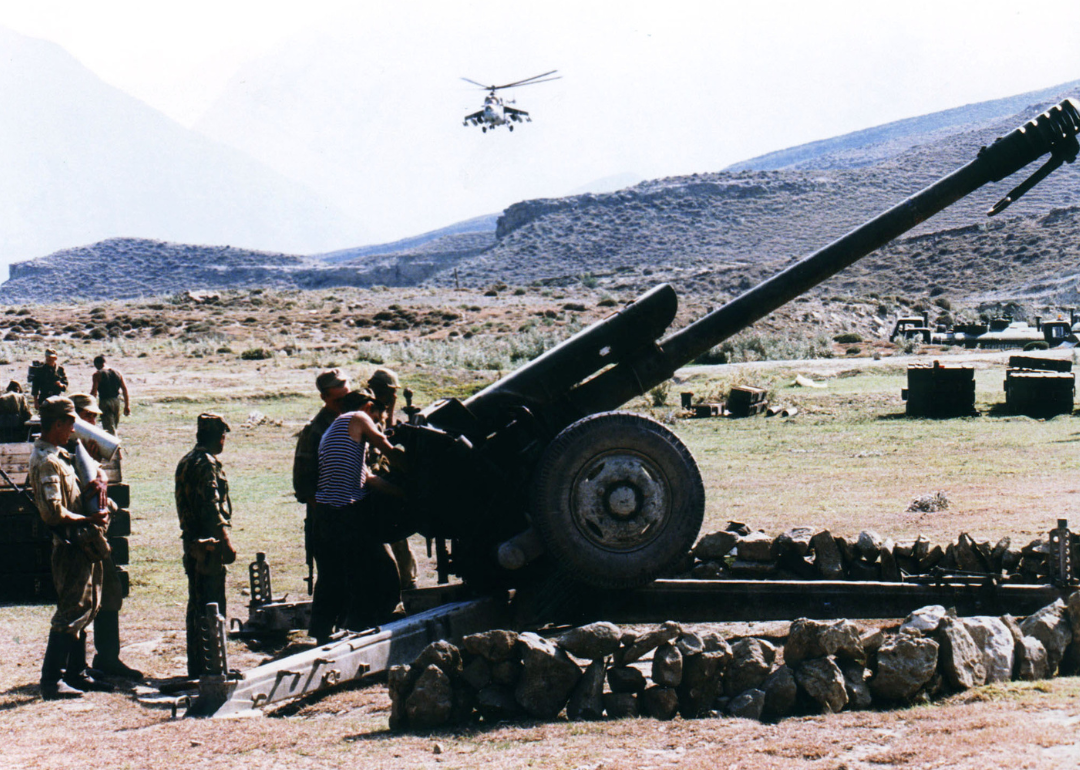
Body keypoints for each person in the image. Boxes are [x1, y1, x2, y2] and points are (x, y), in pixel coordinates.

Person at [30, 396, 117, 700]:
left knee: (85, 607)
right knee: (70, 611)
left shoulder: (59, 455)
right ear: (58, 424)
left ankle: (76, 674)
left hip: (82, 543)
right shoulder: (47, 461)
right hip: (69, 545)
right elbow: (54, 512)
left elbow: (74, 495)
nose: (73, 430)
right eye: (70, 424)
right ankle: (52, 680)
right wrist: (89, 517)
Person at [311, 390, 407, 640]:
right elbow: (389, 451)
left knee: (339, 573)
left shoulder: (338, 431)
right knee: (379, 570)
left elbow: (370, 479)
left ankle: (329, 630)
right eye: (378, 416)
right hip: (346, 512)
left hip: (327, 513)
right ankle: (368, 627)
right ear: (367, 407)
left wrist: (405, 493)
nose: (378, 422)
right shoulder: (358, 418)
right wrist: (414, 464)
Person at [67, 393, 142, 680]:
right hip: (80, 539)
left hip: (97, 539)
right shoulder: (68, 453)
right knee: (83, 601)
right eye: (89, 417)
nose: (95, 422)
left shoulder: (85, 452)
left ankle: (107, 659)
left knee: (108, 594)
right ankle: (77, 667)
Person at [175, 413, 235, 678]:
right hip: (208, 545)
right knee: (212, 606)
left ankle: (199, 665)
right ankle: (212, 668)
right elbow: (211, 507)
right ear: (219, 437)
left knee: (197, 605)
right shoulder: (207, 464)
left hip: (191, 542)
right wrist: (226, 541)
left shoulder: (186, 461)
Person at [293, 368, 350, 637]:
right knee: (331, 578)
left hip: (352, 513)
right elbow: (304, 486)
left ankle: (350, 628)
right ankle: (322, 634)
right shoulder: (315, 431)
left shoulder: (353, 421)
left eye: (347, 399)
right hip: (328, 518)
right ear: (325, 398)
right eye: (338, 401)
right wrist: (330, 516)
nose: (343, 405)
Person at [366, 368, 417, 591]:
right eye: (388, 392)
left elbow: (388, 432)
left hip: (380, 473)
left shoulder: (381, 407)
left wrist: (393, 407)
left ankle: (407, 579)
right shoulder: (366, 409)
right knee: (380, 533)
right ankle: (395, 581)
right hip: (369, 477)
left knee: (396, 530)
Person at [90, 355, 130, 435]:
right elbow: (124, 389)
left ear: (97, 364)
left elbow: (94, 392)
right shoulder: (117, 373)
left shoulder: (97, 374)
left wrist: (90, 405)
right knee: (114, 426)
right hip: (116, 401)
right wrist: (127, 405)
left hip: (105, 402)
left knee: (109, 429)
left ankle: (114, 446)